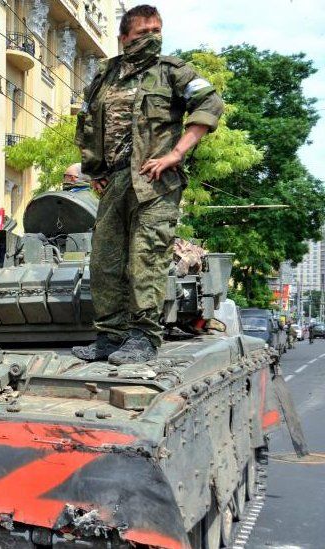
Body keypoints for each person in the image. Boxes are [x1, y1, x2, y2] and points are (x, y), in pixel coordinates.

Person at [71, 4, 224, 364]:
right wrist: (96, 170)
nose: (152, 38)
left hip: (155, 182)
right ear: (124, 38)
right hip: (115, 182)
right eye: (143, 34)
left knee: (146, 259)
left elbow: (209, 103)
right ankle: (110, 336)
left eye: (157, 31)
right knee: (105, 262)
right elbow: (89, 125)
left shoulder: (172, 71)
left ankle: (143, 337)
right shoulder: (105, 74)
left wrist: (176, 154)